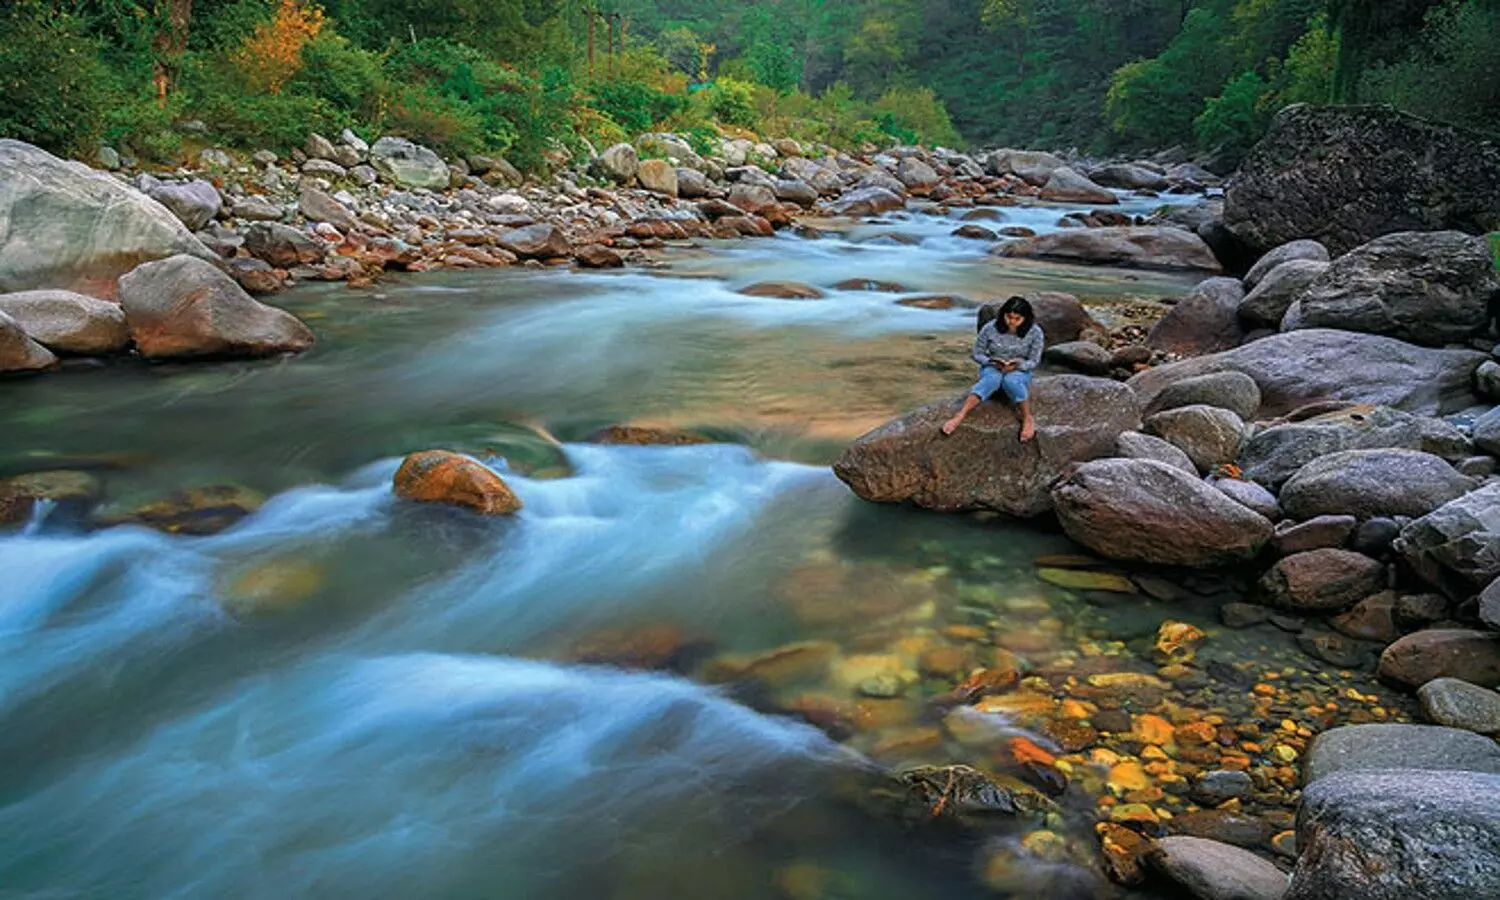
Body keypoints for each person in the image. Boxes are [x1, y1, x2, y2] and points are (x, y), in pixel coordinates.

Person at [941, 295, 1044, 441]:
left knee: (1011, 381)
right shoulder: (990, 328)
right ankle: (960, 415)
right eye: (1009, 317)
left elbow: (1034, 360)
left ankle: (1027, 418)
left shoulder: (1035, 332)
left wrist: (1019, 365)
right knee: (991, 379)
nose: (1012, 322)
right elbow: (977, 353)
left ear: (1025, 318)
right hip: (993, 366)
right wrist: (990, 362)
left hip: (1019, 370)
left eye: (1017, 319)